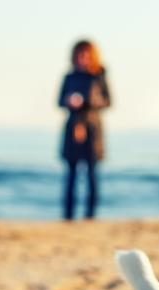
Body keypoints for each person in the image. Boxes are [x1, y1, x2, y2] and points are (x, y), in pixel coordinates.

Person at [57, 39, 111, 220]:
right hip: (73, 128)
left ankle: (90, 216)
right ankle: (68, 216)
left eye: (86, 54)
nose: (82, 58)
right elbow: (59, 101)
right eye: (79, 55)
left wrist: (86, 103)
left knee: (92, 175)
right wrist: (69, 101)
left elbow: (108, 102)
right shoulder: (69, 77)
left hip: (93, 129)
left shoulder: (99, 77)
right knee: (70, 176)